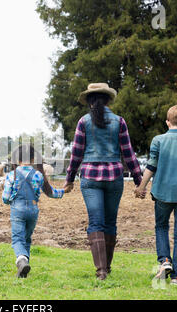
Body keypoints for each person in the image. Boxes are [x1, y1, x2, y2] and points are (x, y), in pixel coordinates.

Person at [64, 83, 143, 280]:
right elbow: (128, 153)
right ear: (108, 100)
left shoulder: (83, 122)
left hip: (90, 177)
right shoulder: (119, 121)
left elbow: (76, 154)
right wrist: (138, 179)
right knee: (110, 222)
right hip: (115, 177)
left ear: (90, 100)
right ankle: (106, 267)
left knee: (96, 222)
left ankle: (101, 272)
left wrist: (70, 179)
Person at [135, 105, 177, 285]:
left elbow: (151, 166)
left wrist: (141, 186)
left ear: (167, 122)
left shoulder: (158, 140)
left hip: (162, 193)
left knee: (161, 227)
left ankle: (165, 260)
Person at [2, 144, 67, 278]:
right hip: (33, 210)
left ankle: (21, 261)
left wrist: (9, 202)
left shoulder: (11, 175)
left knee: (17, 239)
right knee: (26, 239)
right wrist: (64, 191)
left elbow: (5, 197)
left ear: (16, 159)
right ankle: (23, 270)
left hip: (18, 209)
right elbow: (51, 193)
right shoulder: (38, 175)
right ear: (33, 159)